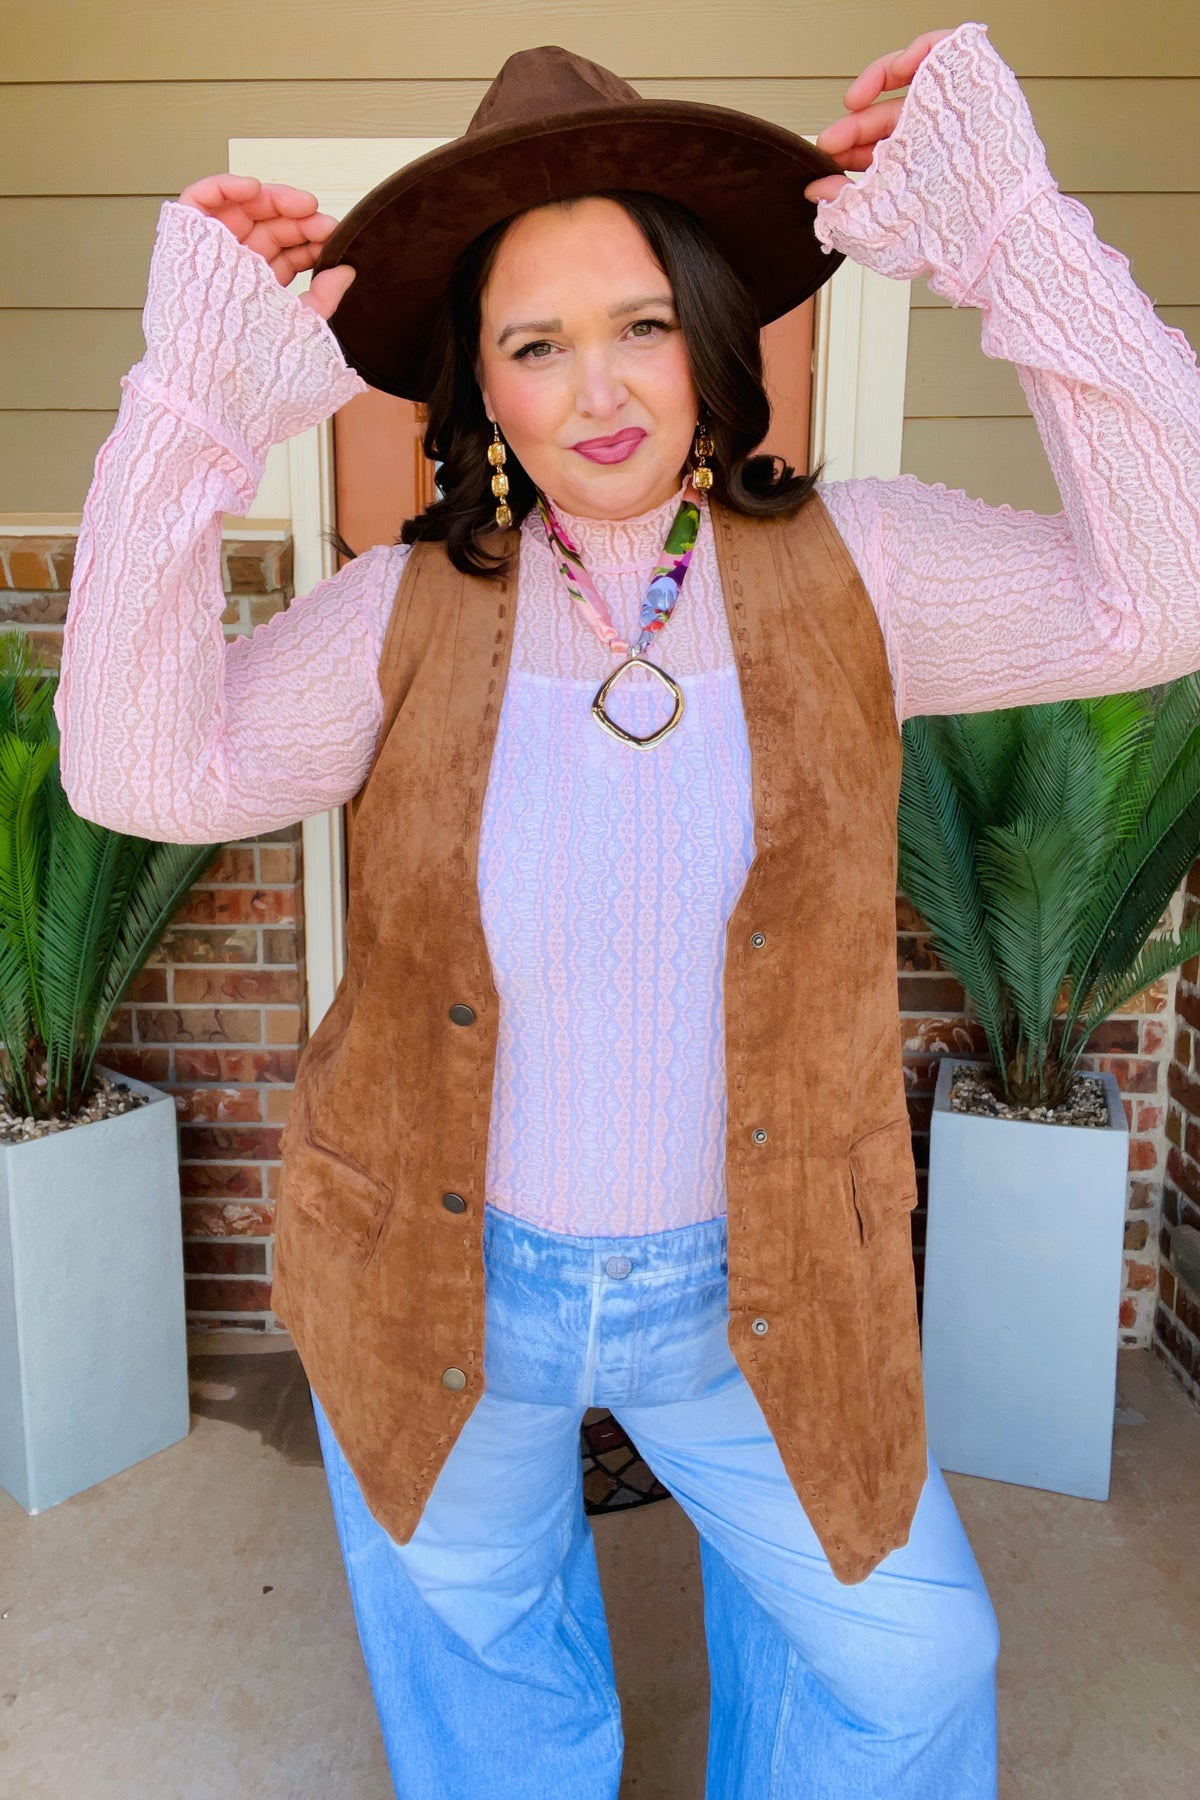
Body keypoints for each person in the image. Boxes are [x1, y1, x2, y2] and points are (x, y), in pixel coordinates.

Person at [54, 18, 1200, 1799]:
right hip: (439, 1270)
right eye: (538, 343)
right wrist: (186, 410)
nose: (599, 391)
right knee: (489, 1689)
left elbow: (1162, 595)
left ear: (710, 338)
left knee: (911, 1659)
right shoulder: (400, 609)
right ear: (480, 388)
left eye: (641, 322)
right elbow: (137, 772)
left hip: (765, 1280)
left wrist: (1020, 239)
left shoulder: (862, 568)